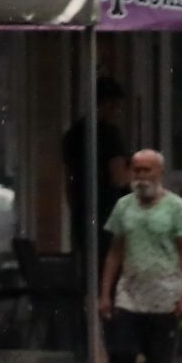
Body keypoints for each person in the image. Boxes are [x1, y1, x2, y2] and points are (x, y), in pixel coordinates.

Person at [99, 149, 182, 363]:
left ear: (159, 174)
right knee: (120, 356)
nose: (141, 177)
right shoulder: (123, 207)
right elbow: (115, 252)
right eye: (136, 171)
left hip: (165, 297)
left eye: (147, 171)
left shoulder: (175, 207)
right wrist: (106, 294)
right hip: (130, 295)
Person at [62, 79, 130, 255]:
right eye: (115, 106)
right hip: (110, 212)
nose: (117, 111)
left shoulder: (73, 134)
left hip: (83, 213)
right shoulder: (109, 135)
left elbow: (69, 181)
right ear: (107, 103)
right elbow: (118, 177)